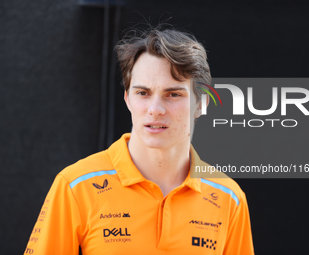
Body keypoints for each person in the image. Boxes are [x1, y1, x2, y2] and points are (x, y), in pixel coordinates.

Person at [24, 27, 254, 255]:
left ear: (201, 103)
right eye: (143, 93)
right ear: (127, 99)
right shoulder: (76, 186)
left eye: (173, 94)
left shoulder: (229, 197)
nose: (155, 110)